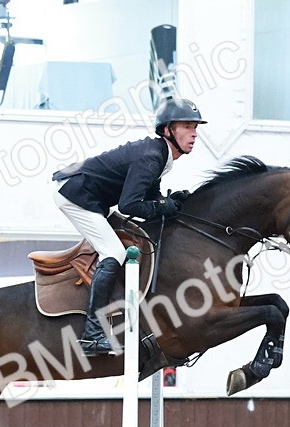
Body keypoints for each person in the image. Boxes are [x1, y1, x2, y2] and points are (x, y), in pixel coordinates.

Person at [51, 98, 208, 355]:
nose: (194, 134)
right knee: (114, 252)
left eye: (196, 127)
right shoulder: (151, 157)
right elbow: (129, 205)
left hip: (91, 195)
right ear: (168, 129)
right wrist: (162, 206)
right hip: (74, 194)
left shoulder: (159, 155)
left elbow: (149, 196)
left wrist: (168, 203)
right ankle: (91, 335)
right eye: (188, 126)